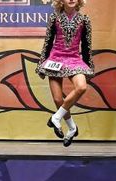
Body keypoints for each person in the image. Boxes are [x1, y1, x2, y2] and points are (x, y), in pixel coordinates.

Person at [36, 0, 94, 147]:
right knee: (57, 99)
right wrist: (41, 63)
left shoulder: (84, 20)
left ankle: (56, 118)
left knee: (81, 87)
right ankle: (72, 128)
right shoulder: (54, 18)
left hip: (74, 59)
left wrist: (88, 66)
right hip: (56, 59)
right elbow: (47, 43)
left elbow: (87, 45)